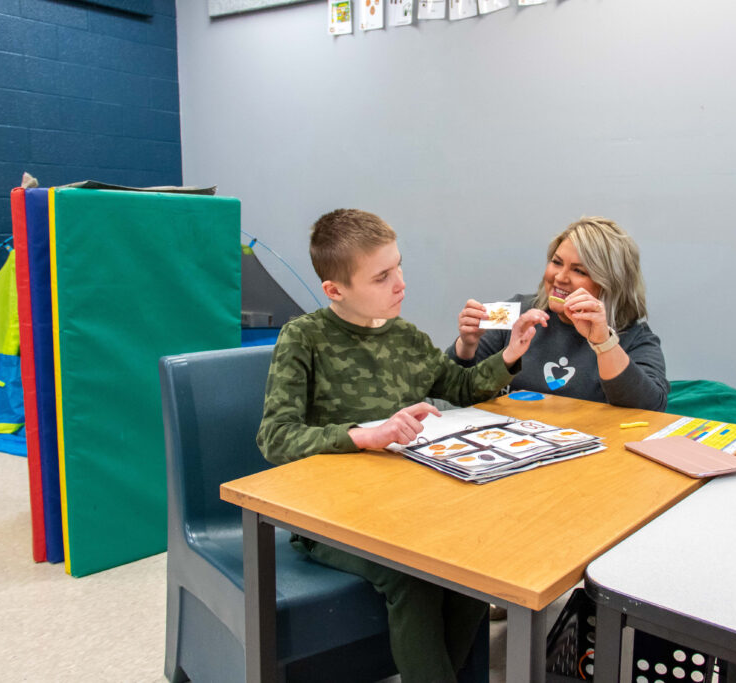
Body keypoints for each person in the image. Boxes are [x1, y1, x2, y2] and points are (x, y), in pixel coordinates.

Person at [256, 208, 548, 682]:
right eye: (382, 277)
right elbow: (275, 437)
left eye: (399, 267)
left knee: (477, 560)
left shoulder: (407, 337)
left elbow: (461, 387)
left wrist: (512, 353)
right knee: (412, 577)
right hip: (328, 515)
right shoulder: (304, 338)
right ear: (335, 290)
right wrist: (364, 435)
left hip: (407, 507)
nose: (401, 285)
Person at [447, 216, 669, 410]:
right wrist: (466, 345)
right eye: (556, 262)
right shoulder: (516, 312)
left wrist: (604, 343)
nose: (560, 277)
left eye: (579, 271)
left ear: (610, 283)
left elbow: (651, 408)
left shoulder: (634, 337)